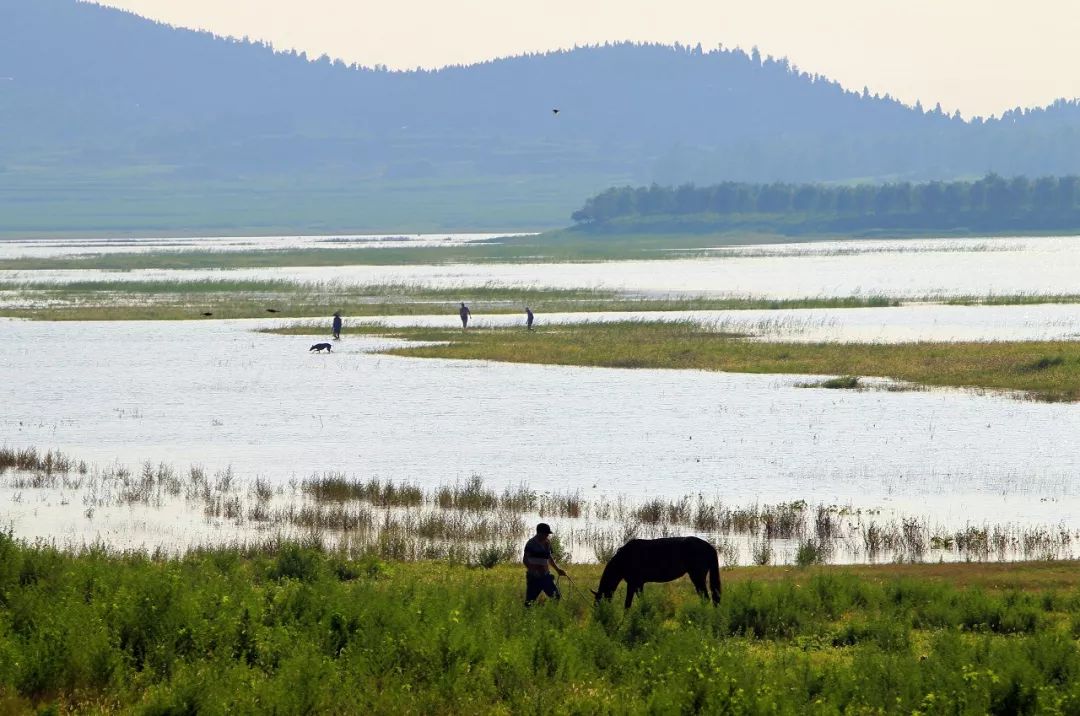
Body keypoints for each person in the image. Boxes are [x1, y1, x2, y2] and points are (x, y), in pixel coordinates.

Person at [523, 522, 567, 606]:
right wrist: (533, 571)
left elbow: (549, 558)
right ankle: (528, 616)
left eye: (548, 534)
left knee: (556, 597)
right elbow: (525, 560)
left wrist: (558, 570)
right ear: (539, 533)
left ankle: (551, 614)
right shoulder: (531, 543)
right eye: (546, 534)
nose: (547, 535)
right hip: (534, 577)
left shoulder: (547, 543)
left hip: (546, 576)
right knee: (529, 602)